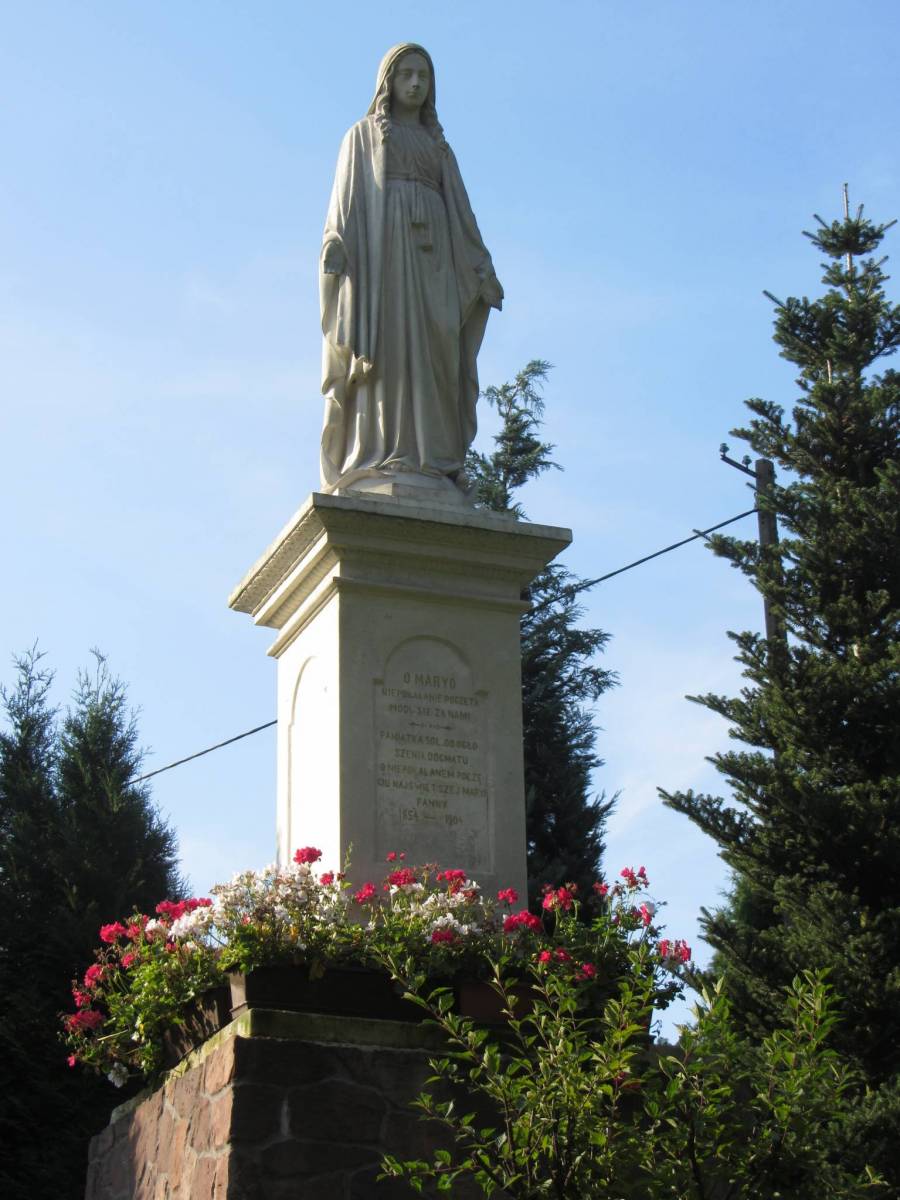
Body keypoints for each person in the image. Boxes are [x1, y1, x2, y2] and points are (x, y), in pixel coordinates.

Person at [318, 43, 503, 494]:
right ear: (388, 82)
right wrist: (335, 244)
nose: (416, 83)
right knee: (389, 350)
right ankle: (380, 454)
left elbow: (463, 215)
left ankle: (434, 459)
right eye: (407, 75)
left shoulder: (440, 149)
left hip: (434, 261)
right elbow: (343, 203)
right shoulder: (362, 136)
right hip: (382, 259)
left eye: (423, 75)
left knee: (439, 348)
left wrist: (481, 267)